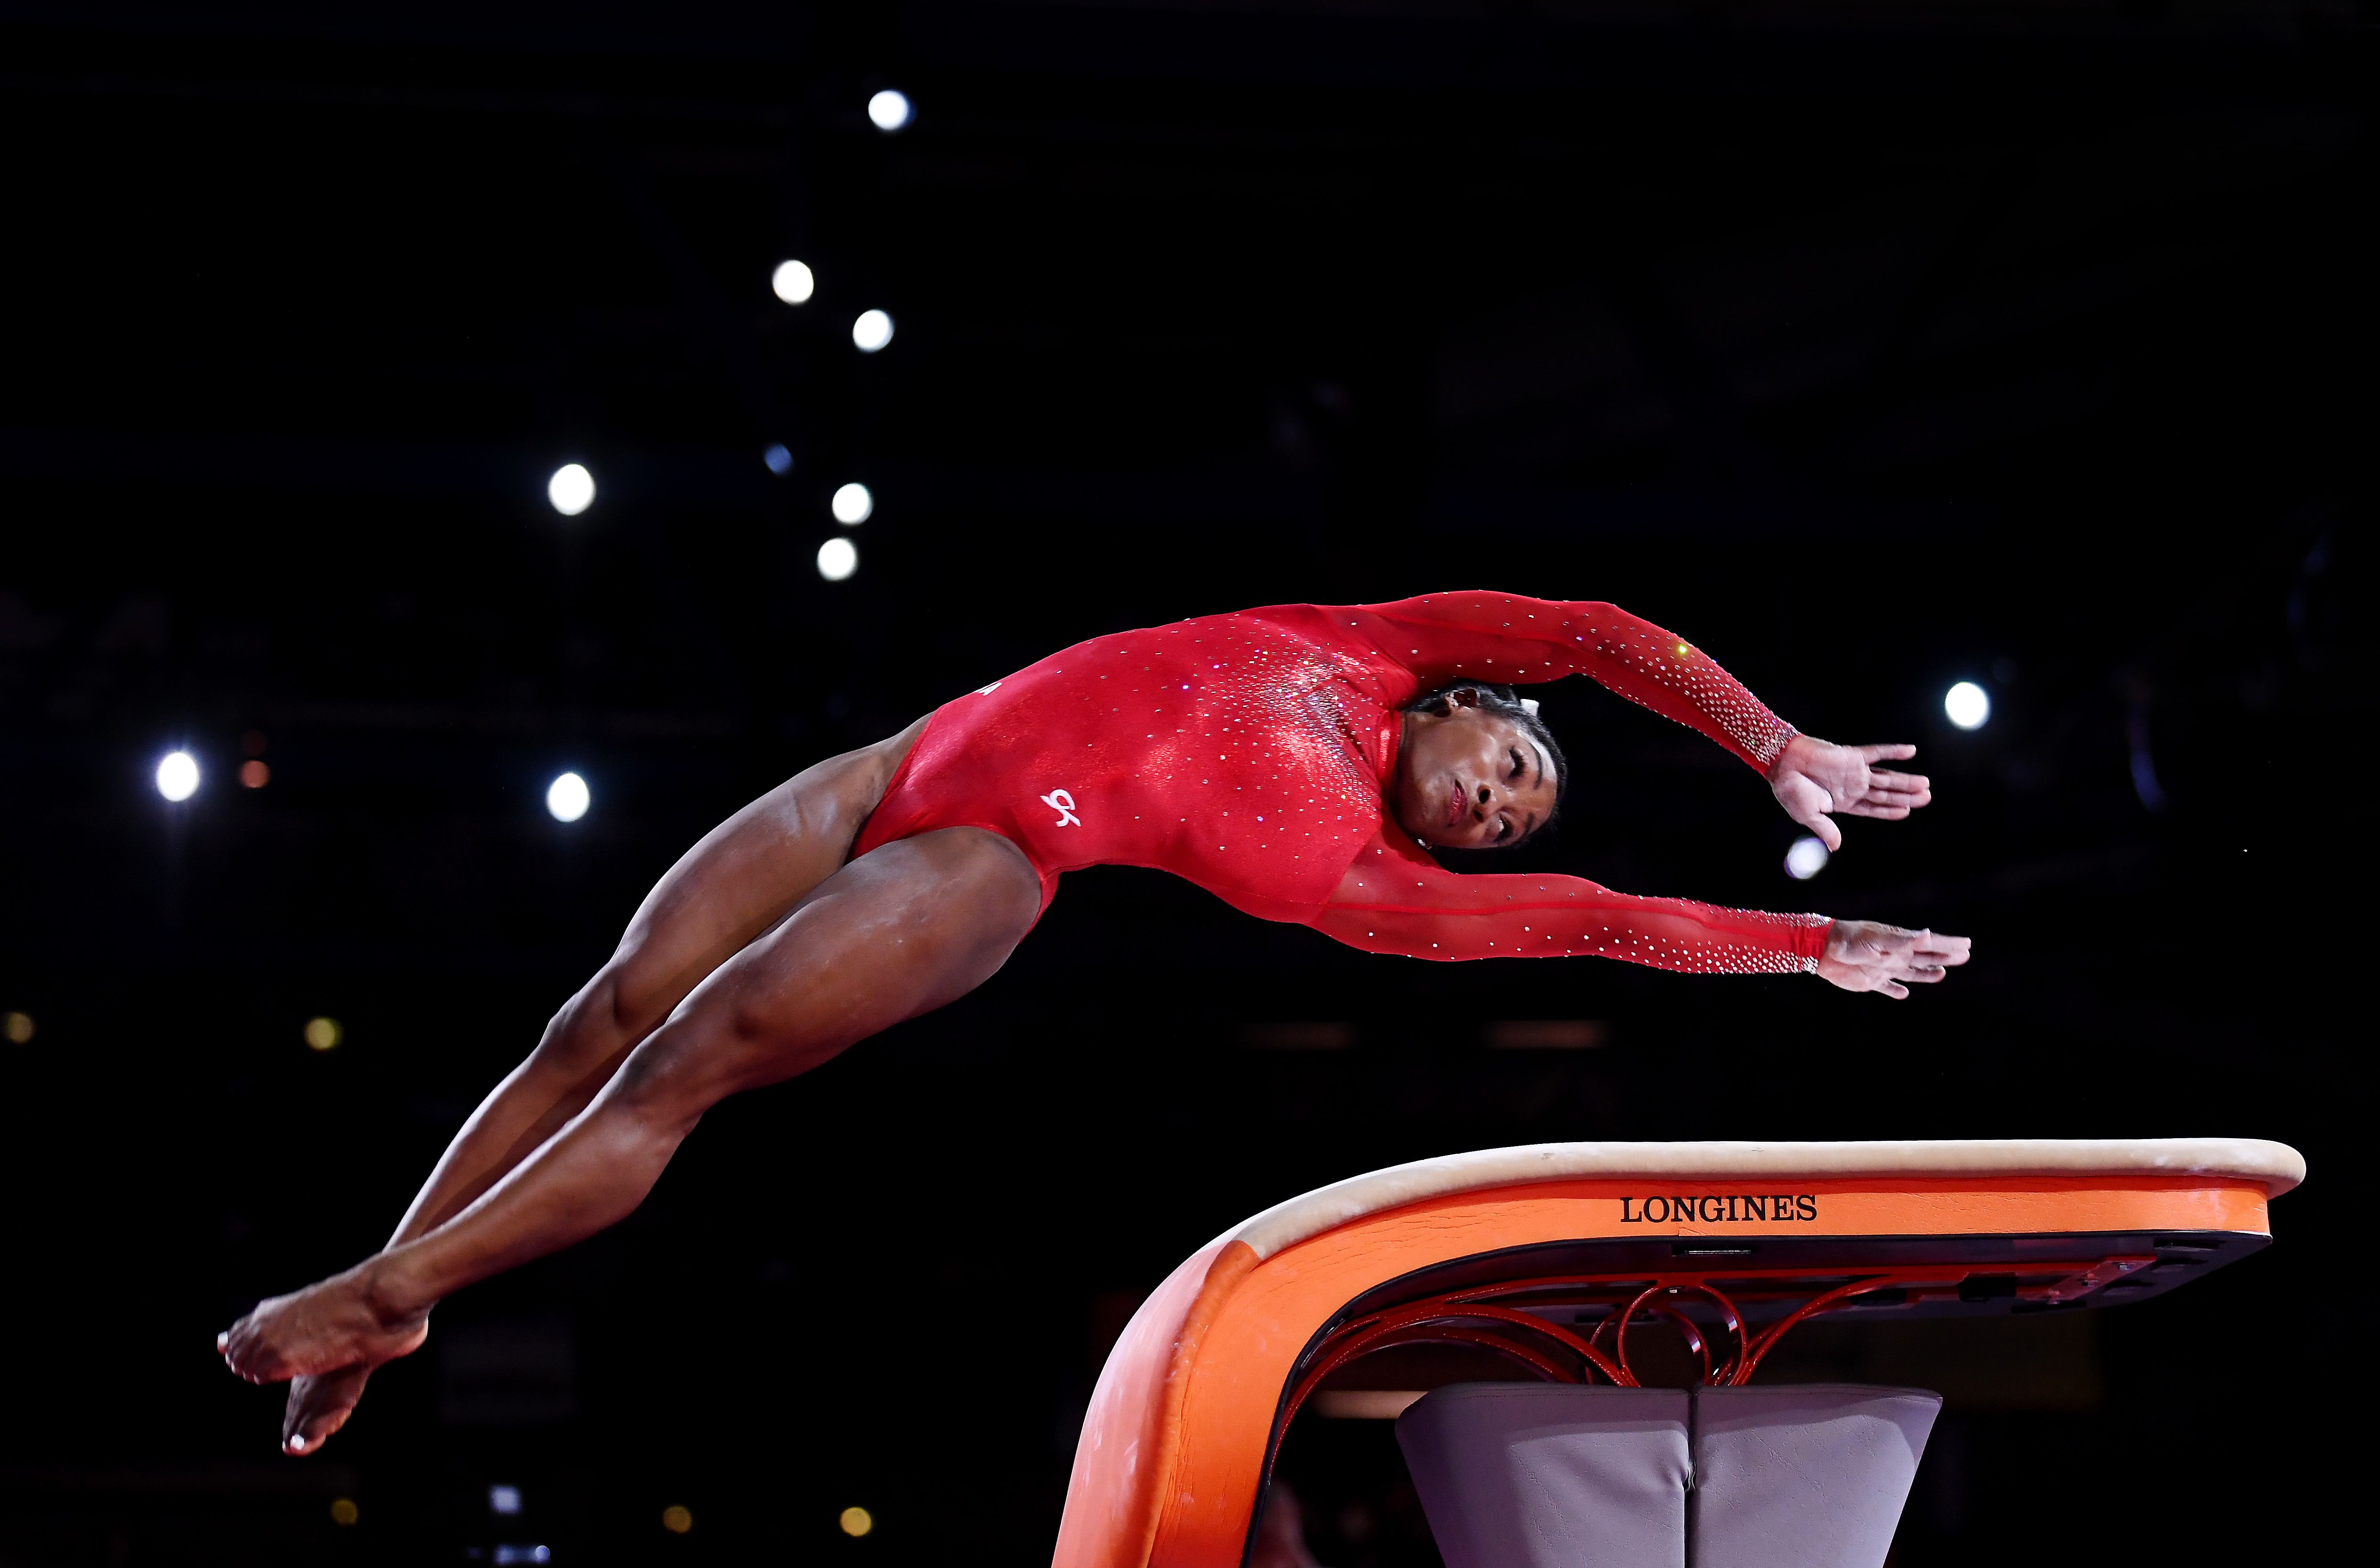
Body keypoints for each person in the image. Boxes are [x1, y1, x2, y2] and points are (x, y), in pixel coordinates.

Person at [217, 591, 1968, 1454]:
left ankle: (393, 1295)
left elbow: (1610, 925)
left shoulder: (1371, 882)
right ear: (1467, 699)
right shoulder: (1368, 642)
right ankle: (392, 1288)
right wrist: (1776, 747)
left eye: (1513, 814)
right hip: (899, 761)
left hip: (990, 862)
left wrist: (1804, 942)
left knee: (689, 1065)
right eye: (1514, 764)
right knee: (597, 1012)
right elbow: (1594, 635)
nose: (1508, 806)